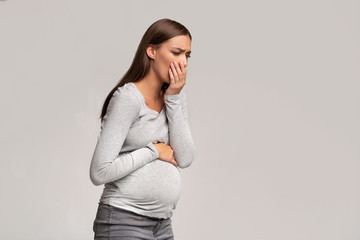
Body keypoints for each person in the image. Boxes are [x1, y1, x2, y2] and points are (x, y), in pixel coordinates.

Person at [89, 18, 196, 240]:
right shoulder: (128, 98)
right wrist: (154, 151)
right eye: (176, 53)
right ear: (151, 51)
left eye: (187, 55)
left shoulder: (174, 97)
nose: (183, 63)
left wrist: (173, 99)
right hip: (123, 220)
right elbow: (99, 172)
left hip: (162, 224)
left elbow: (184, 158)